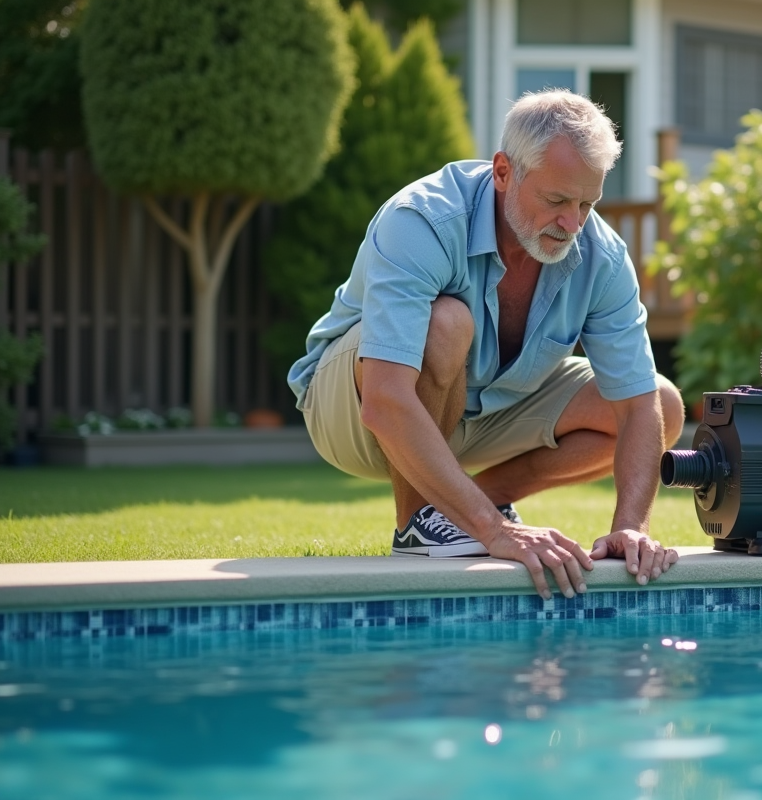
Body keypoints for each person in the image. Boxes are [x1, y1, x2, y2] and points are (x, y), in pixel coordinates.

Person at [287, 90, 685, 600]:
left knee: (662, 404)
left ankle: (483, 500)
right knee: (448, 322)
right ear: (503, 172)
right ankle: (420, 524)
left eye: (587, 203)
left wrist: (632, 526)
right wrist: (494, 536)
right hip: (353, 410)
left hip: (484, 410)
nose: (573, 223)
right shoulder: (422, 220)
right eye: (557, 200)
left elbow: (635, 408)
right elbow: (386, 401)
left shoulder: (601, 255)